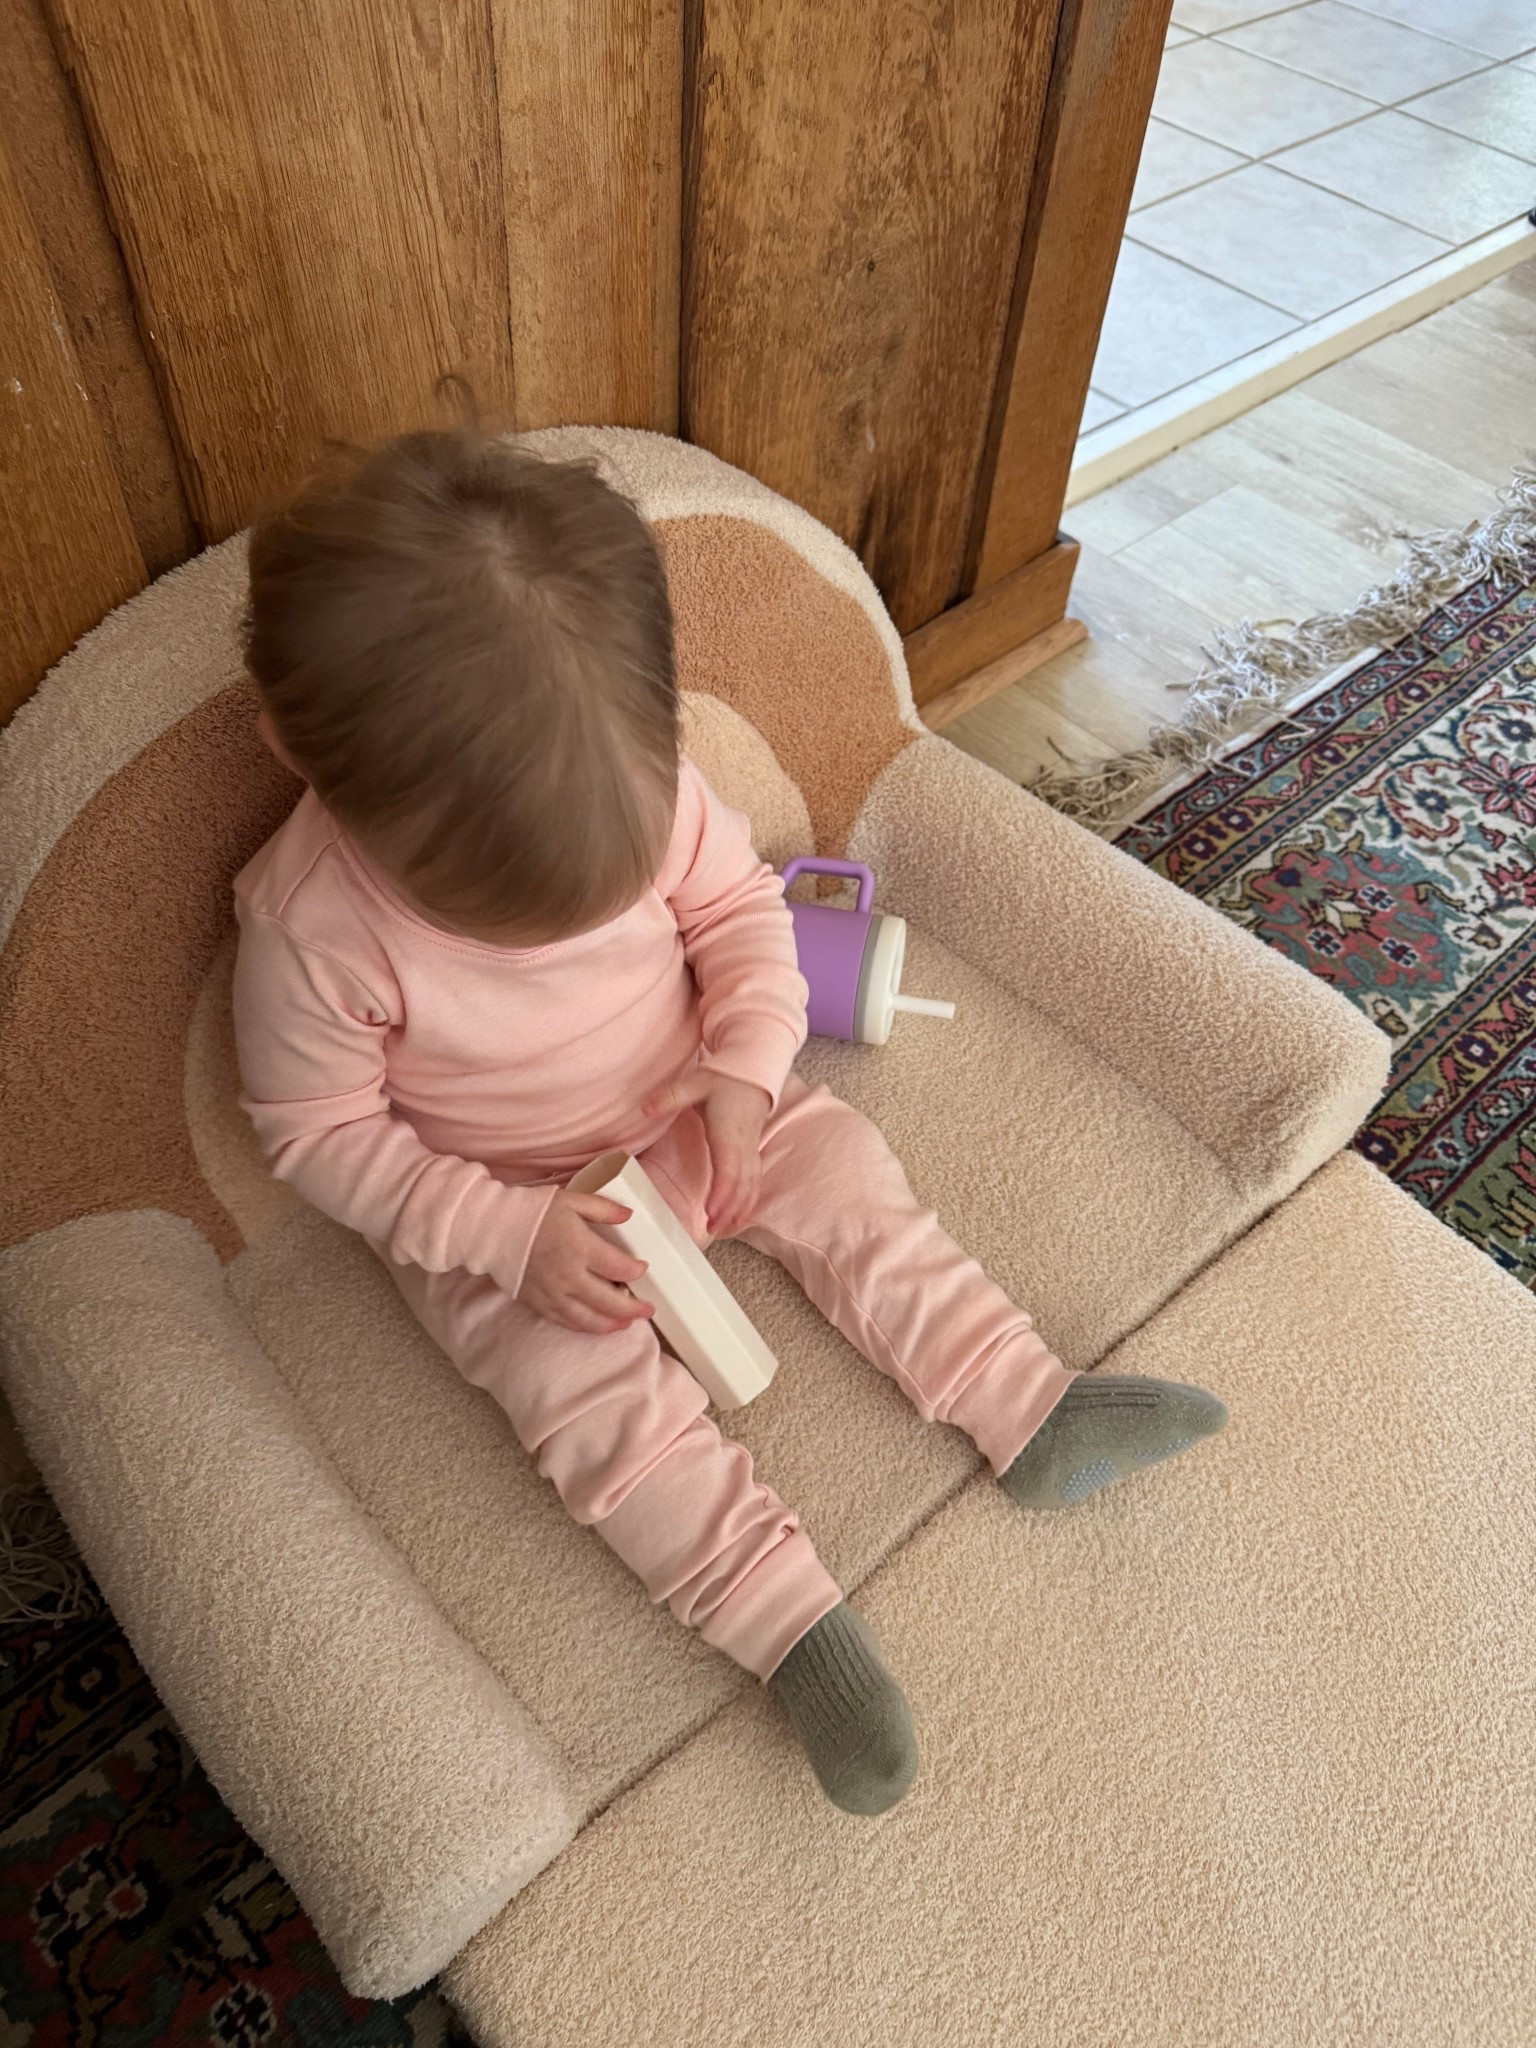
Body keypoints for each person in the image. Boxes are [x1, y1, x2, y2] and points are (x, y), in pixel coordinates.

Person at [232, 427, 1226, 1814]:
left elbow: (741, 913)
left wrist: (749, 1070)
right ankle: (790, 1630)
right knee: (586, 1405)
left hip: (694, 1100)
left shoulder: (643, 780)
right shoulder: (310, 927)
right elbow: (318, 1134)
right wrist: (508, 1235)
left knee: (854, 1184)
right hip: (519, 1210)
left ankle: (1028, 1402)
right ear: (295, 749)